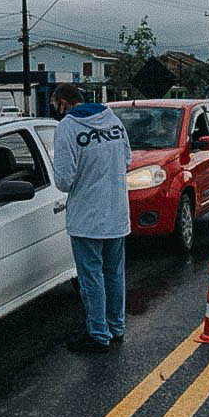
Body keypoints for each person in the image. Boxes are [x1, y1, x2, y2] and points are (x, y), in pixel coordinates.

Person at [51, 83, 132, 354]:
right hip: (117, 212)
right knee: (114, 273)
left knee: (91, 277)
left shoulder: (68, 128)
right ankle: (116, 326)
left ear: (63, 103)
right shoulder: (115, 122)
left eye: (55, 106)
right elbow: (128, 159)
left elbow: (63, 180)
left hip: (87, 217)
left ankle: (98, 334)